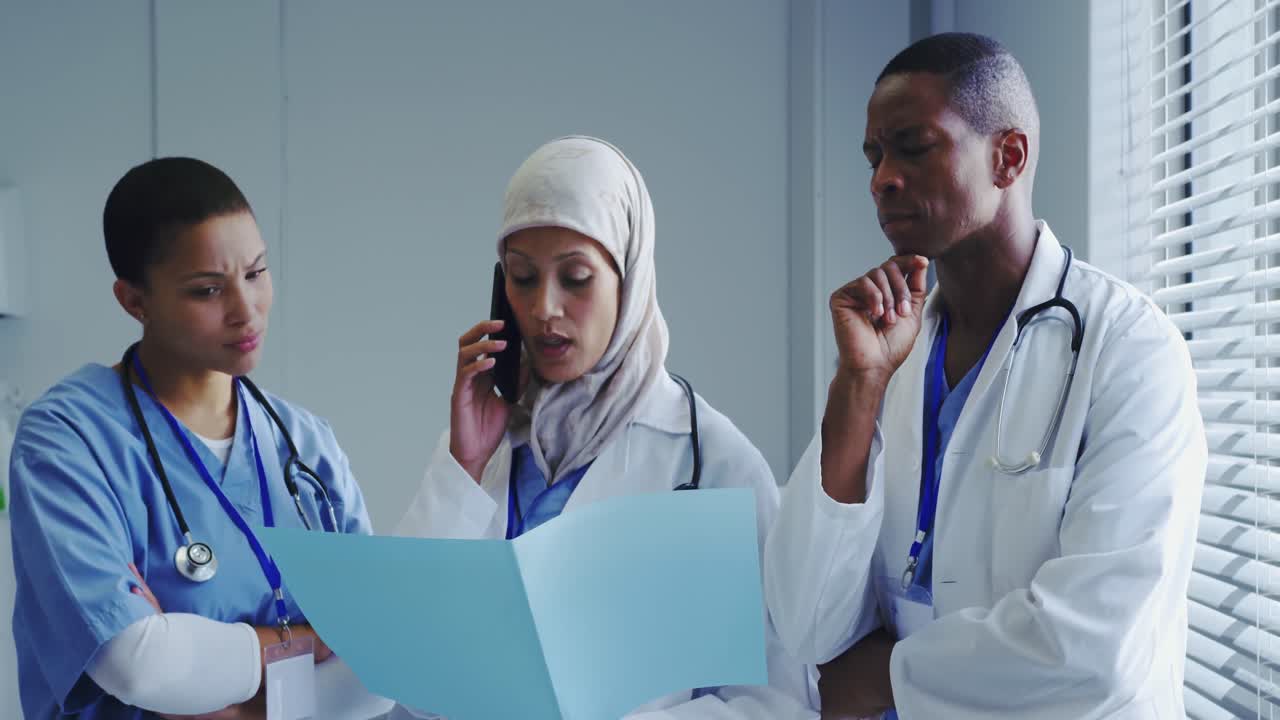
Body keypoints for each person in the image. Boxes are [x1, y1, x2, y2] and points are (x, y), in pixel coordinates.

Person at [763, 33, 1206, 719]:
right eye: (875, 155)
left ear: (1009, 157)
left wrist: (888, 677)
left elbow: (1094, 651)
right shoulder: (891, 356)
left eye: (913, 146)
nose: (882, 178)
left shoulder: (1129, 349)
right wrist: (857, 388)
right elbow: (804, 621)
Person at [391, 135, 818, 719]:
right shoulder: (479, 447)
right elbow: (402, 660)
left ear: (630, 277)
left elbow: (774, 703)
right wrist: (461, 469)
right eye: (521, 278)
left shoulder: (709, 462)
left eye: (576, 278)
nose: (544, 308)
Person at [9, 157, 380, 719]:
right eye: (207, 291)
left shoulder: (304, 444)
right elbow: (137, 665)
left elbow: (381, 658)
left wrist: (214, 688)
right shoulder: (68, 440)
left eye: (256, 273)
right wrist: (311, 644)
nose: (245, 310)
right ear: (134, 300)